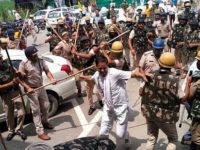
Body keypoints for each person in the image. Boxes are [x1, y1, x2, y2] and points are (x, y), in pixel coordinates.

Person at [79, 55, 148, 148]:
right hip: (108, 106)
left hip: (120, 107)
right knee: (103, 133)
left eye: (104, 68)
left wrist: (142, 75)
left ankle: (126, 136)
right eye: (100, 68)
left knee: (120, 135)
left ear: (107, 65)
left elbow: (133, 74)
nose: (102, 70)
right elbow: (91, 78)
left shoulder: (115, 73)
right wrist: (80, 76)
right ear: (96, 67)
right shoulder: (97, 75)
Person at [140, 52, 189, 150]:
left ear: (159, 62)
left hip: (149, 112)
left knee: (151, 138)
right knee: (173, 139)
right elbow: (183, 99)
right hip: (167, 117)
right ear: (172, 65)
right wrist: (188, 83)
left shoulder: (150, 75)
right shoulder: (175, 81)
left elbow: (141, 92)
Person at [19, 46, 57, 140]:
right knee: (36, 111)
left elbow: (47, 71)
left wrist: (52, 78)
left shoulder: (40, 60)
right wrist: (28, 88)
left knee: (46, 106)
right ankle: (40, 132)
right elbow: (19, 79)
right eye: (34, 55)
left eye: (36, 54)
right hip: (31, 90)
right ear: (28, 57)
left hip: (41, 87)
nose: (36, 56)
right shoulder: (24, 64)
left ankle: (45, 122)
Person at [0, 40, 34, 141]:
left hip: (15, 92)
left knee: (22, 112)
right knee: (8, 115)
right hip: (5, 95)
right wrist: (9, 84)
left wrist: (19, 73)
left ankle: (19, 129)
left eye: (0, 58)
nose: (0, 60)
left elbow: (16, 73)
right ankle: (11, 131)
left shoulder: (7, 64)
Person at [72, 36, 102, 115]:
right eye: (84, 42)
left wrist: (76, 52)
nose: (86, 43)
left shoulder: (93, 48)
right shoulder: (81, 51)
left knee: (97, 91)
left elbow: (89, 56)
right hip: (86, 74)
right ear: (81, 43)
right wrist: (74, 52)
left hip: (95, 73)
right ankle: (91, 106)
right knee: (89, 92)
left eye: (87, 41)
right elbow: (77, 59)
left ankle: (100, 100)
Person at [183, 51, 200, 150]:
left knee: (196, 137)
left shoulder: (197, 82)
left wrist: (188, 84)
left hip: (197, 108)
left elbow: (188, 97)